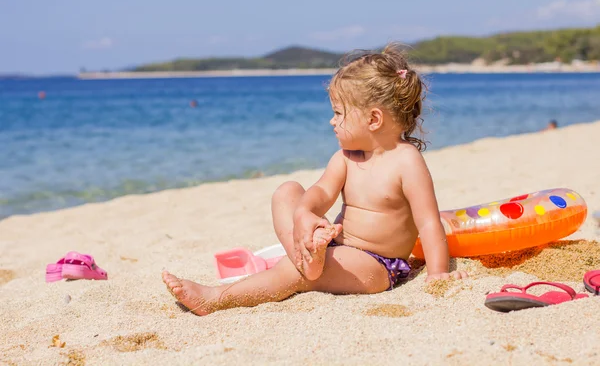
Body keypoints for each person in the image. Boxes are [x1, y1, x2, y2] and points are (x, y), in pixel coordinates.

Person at [162, 43, 468, 315]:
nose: (331, 121)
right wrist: (305, 214)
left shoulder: (406, 162)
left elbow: (428, 222)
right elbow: (320, 192)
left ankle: (216, 299)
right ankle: (307, 254)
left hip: (376, 265)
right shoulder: (347, 158)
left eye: (338, 113)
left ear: (373, 119)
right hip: (334, 244)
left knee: (294, 273)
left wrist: (437, 272)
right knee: (288, 191)